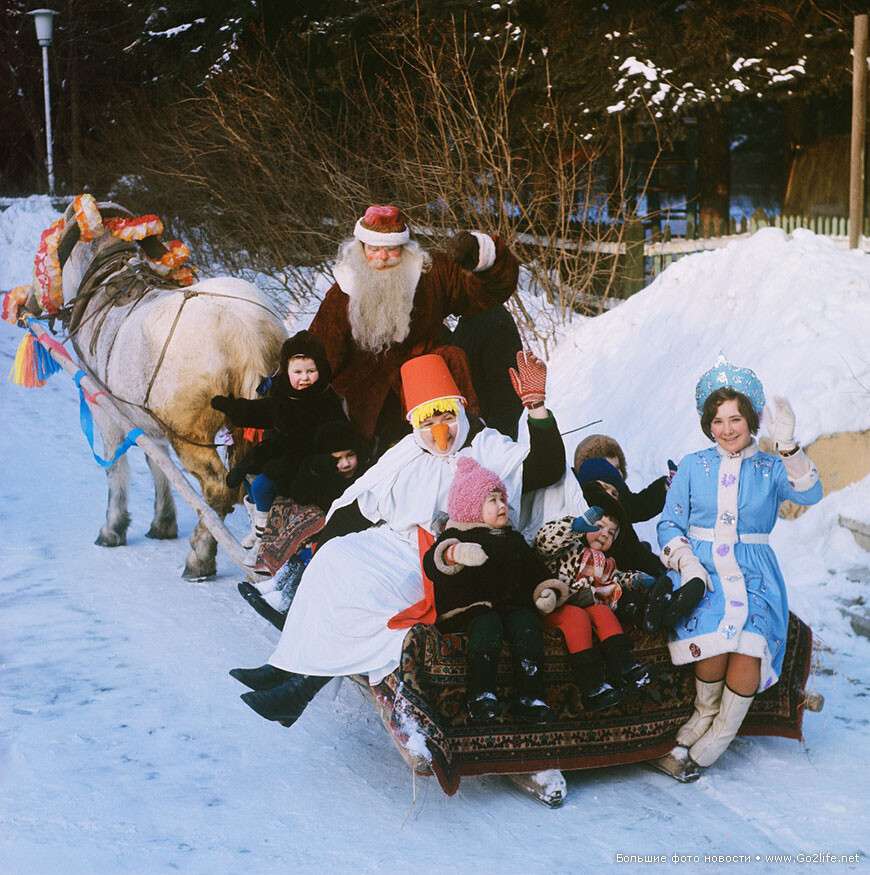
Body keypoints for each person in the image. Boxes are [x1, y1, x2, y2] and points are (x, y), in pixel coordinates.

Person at [229, 349, 582, 728]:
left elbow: (545, 468)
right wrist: (324, 540)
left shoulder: (487, 448)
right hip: (399, 541)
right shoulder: (409, 452)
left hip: (451, 557)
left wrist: (537, 409)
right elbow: (365, 501)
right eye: (430, 421)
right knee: (333, 559)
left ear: (459, 412)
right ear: (417, 424)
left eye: (447, 416)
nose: (440, 429)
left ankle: (301, 689)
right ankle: (284, 665)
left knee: (369, 597)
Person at [652, 357, 822, 782]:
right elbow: (669, 523)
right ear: (708, 424)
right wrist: (687, 562)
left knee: (749, 643)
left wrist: (788, 447)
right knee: (713, 642)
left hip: (756, 572)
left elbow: (812, 493)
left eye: (736, 419)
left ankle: (722, 732)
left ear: (752, 421)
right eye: (718, 420)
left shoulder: (769, 468)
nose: (727, 429)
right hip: (704, 569)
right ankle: (704, 711)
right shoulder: (693, 465)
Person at [308, 204, 520, 451]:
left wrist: (478, 254)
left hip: (436, 383)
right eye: (374, 249)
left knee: (492, 317)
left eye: (391, 250)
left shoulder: (430, 273)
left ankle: (498, 437)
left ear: (405, 249)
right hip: (373, 403)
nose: (383, 258)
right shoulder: (342, 295)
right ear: (361, 250)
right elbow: (316, 357)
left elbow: (491, 291)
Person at [422, 456, 560, 722]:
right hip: (471, 608)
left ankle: (530, 695)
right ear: (472, 506)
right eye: (492, 500)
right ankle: (481, 693)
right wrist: (454, 553)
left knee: (527, 625)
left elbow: (535, 570)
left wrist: (546, 591)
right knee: (488, 627)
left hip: (512, 606)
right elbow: (432, 563)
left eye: (502, 500)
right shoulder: (459, 535)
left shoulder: (513, 538)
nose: (502, 506)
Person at [210, 331, 347, 556]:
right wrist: (232, 407)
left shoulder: (325, 398)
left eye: (311, 371)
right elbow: (261, 411)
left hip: (306, 459)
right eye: (298, 372)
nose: (304, 378)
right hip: (281, 450)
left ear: (320, 370)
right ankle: (258, 524)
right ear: (287, 372)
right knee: (244, 473)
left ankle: (264, 539)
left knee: (262, 484)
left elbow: (336, 430)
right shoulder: (284, 396)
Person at [532, 508, 654, 711]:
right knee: (577, 616)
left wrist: (637, 579)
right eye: (599, 527)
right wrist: (573, 526)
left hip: (587, 602)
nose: (605, 534)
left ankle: (625, 666)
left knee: (602, 611)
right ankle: (591, 686)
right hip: (556, 603)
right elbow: (544, 542)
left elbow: (617, 578)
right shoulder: (568, 547)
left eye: (611, 533)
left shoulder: (605, 563)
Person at [576, 470, 704, 634]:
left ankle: (667, 604)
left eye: (615, 493)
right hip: (590, 594)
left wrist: (655, 576)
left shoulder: (621, 534)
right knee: (625, 599)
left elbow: (634, 561)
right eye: (606, 490)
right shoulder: (577, 527)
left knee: (642, 582)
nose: (611, 496)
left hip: (614, 584)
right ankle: (655, 610)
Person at [451, 304, 524, 439]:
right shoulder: (464, 325)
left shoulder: (492, 318)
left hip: (490, 440)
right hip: (468, 438)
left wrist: (492, 441)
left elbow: (508, 394)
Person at [573, 434, 673, 523]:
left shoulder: (617, 493)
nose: (619, 474)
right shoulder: (580, 505)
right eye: (611, 470)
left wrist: (665, 486)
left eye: (619, 467)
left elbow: (637, 507)